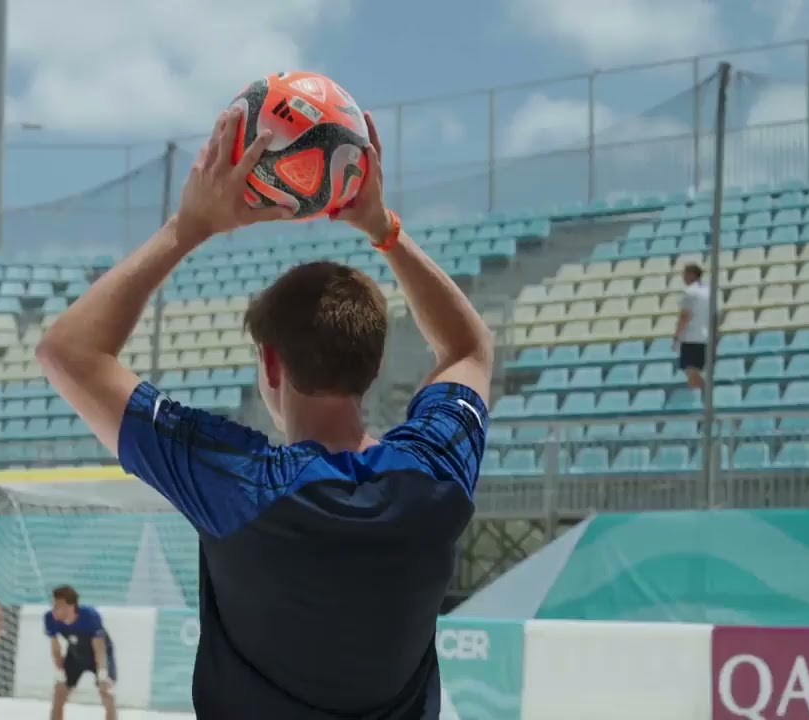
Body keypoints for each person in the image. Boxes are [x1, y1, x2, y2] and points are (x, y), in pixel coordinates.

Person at [36, 106, 492, 718]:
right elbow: (468, 349)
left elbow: (67, 352)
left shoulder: (239, 482)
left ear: (272, 367)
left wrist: (189, 227)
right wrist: (383, 229)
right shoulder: (432, 476)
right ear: (373, 366)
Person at [44, 585, 116, 720]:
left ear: (70, 606)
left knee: (107, 692)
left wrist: (102, 675)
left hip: (100, 655)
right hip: (75, 655)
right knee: (59, 692)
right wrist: (60, 674)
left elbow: (99, 648)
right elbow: (56, 648)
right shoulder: (50, 618)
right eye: (53, 604)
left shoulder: (89, 616)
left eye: (58, 606)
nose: (54, 609)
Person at [674, 262, 711, 390]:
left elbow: (685, 316)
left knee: (692, 372)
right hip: (705, 336)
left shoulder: (690, 292)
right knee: (694, 373)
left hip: (691, 337)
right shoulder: (709, 291)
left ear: (690, 275)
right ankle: (705, 397)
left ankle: (707, 393)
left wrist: (677, 335)